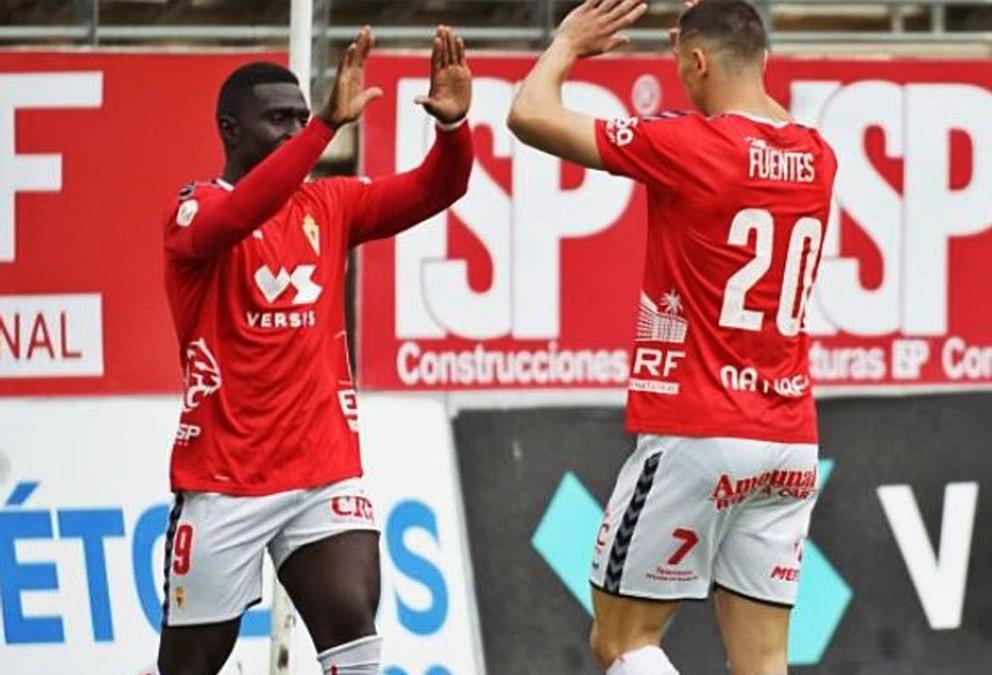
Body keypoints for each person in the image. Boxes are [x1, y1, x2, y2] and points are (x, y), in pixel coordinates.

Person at [508, 1, 838, 673]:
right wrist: (714, 30)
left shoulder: (690, 144)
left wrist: (568, 42)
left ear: (696, 61)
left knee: (622, 640)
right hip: (788, 440)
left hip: (700, 433)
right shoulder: (818, 156)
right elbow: (748, 101)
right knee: (765, 659)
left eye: (681, 65)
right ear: (764, 58)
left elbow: (529, 115)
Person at [153, 25, 473, 675]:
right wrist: (326, 127)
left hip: (322, 470)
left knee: (353, 628)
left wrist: (454, 127)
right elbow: (238, 216)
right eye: (279, 119)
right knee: (188, 665)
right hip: (225, 480)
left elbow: (437, 189)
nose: (296, 129)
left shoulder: (330, 203)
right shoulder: (195, 210)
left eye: (301, 116)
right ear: (230, 130)